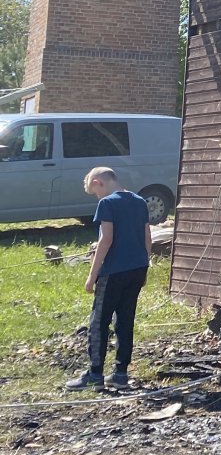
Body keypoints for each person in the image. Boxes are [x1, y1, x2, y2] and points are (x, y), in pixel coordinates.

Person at [65, 167, 152, 390]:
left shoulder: (107, 203)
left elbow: (106, 240)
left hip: (113, 271)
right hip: (137, 268)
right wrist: (145, 267)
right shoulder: (139, 201)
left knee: (99, 322)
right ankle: (121, 374)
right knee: (125, 320)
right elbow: (147, 237)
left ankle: (95, 374)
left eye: (94, 192)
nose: (97, 197)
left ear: (98, 183)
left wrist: (92, 275)